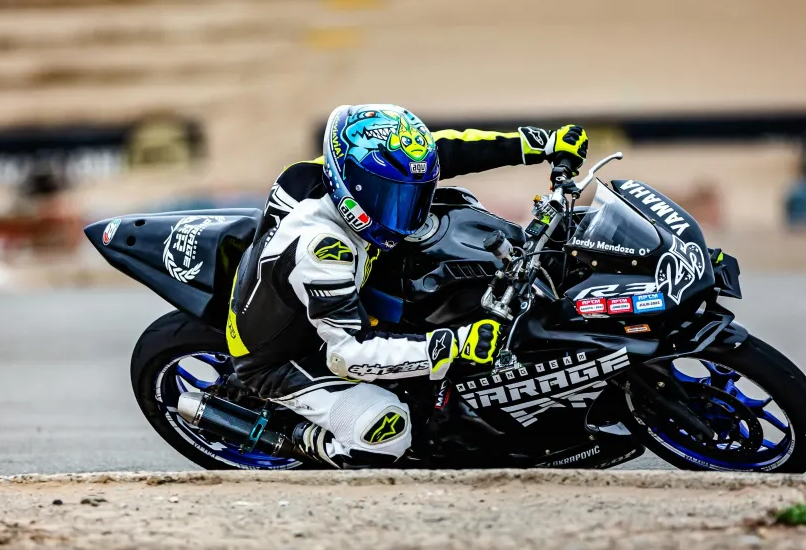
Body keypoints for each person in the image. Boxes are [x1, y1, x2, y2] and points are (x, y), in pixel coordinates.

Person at [225, 104, 588, 467]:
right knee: (386, 433)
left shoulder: (341, 169)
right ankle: (302, 442)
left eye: (412, 195)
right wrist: (456, 344)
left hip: (324, 290)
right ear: (350, 185)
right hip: (289, 353)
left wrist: (536, 144)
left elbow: (440, 150)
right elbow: (347, 355)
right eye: (389, 197)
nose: (405, 211)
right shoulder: (322, 247)